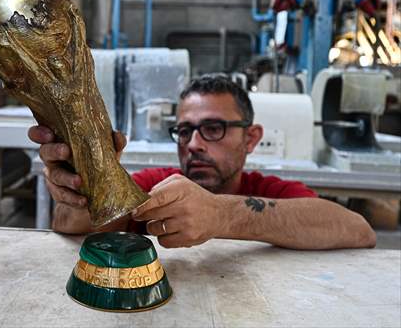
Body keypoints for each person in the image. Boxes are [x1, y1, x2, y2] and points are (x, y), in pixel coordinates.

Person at [28, 75, 376, 250]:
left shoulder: (266, 190)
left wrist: (222, 214)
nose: (193, 145)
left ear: (251, 138)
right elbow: (73, 228)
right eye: (184, 131)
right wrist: (83, 183)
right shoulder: (155, 188)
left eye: (213, 129)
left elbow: (358, 230)